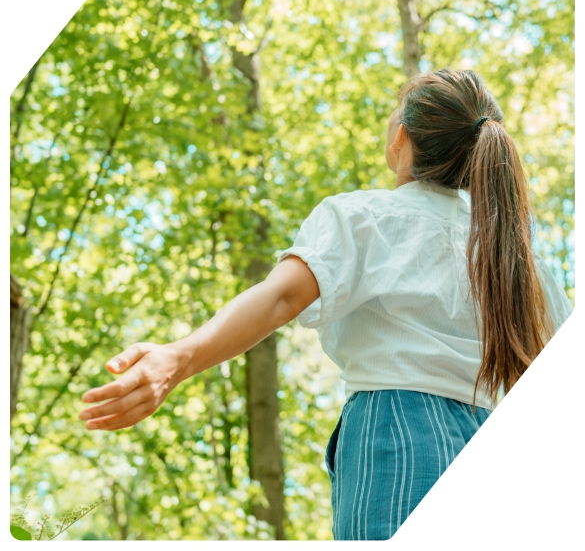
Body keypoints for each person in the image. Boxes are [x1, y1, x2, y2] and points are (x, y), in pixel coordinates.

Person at [79, 67, 573, 540]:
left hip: (397, 439)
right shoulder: (518, 258)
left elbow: (279, 298)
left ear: (402, 136)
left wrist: (179, 356)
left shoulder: (366, 217)